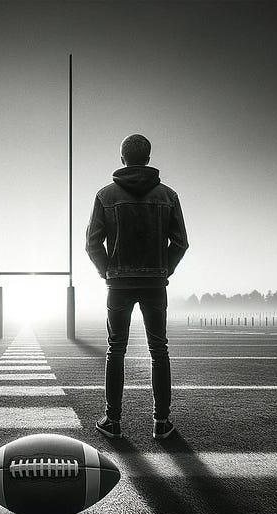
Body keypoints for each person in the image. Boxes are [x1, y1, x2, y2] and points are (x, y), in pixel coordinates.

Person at [85, 134, 189, 440]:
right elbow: (181, 242)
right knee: (159, 350)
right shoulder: (168, 196)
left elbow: (92, 243)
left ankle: (113, 420)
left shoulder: (106, 196)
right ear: (147, 158)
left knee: (116, 350)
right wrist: (163, 268)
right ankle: (162, 422)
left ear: (122, 159)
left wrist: (108, 271)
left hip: (118, 284)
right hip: (155, 284)